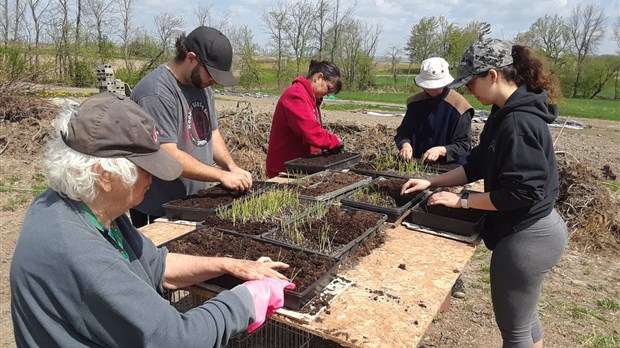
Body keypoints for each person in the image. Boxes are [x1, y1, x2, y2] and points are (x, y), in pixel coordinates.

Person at [10, 93, 294, 347]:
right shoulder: (80, 253)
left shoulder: (83, 204)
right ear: (103, 175)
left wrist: (228, 265)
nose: (153, 178)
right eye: (145, 168)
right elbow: (178, 340)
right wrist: (246, 300)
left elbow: (156, 264)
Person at [401, 39, 568, 348]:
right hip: (538, 230)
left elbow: (523, 192)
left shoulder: (517, 121)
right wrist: (432, 184)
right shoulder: (504, 111)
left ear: (493, 75)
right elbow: (477, 162)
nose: (468, 90)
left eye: (472, 81)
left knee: (515, 332)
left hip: (528, 238)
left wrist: (462, 199)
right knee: (526, 319)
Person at [129, 26, 253, 227]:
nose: (213, 81)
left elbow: (212, 134)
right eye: (211, 74)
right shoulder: (156, 93)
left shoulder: (202, 87)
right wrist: (221, 175)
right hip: (158, 209)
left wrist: (231, 167)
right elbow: (168, 155)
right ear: (191, 58)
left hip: (191, 203)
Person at [265, 59, 344, 178]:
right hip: (284, 168)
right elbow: (311, 132)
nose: (328, 94)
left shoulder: (311, 98)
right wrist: (334, 141)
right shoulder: (296, 95)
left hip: (299, 165)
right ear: (318, 77)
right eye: (329, 88)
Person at [394, 57, 473, 164]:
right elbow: (403, 133)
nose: (430, 90)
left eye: (435, 86)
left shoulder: (460, 106)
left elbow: (463, 145)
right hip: (417, 163)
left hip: (451, 167)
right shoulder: (414, 103)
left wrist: (440, 151)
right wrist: (405, 144)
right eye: (427, 86)